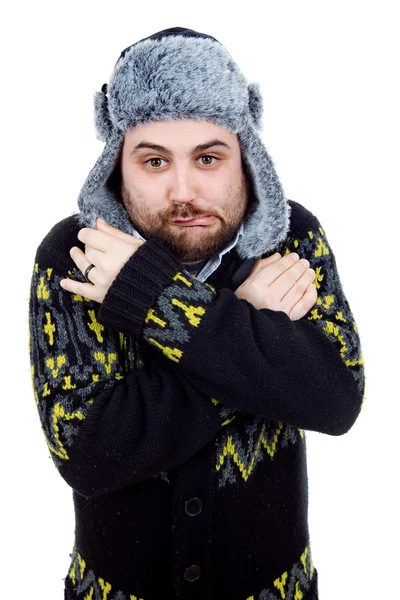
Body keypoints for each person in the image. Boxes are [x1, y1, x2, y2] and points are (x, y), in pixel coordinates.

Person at [28, 26, 365, 600]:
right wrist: (245, 326)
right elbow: (87, 452)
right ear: (116, 163)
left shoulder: (291, 239)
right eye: (154, 161)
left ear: (244, 155)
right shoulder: (77, 256)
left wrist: (150, 295)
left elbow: (334, 399)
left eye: (207, 157)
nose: (183, 190)